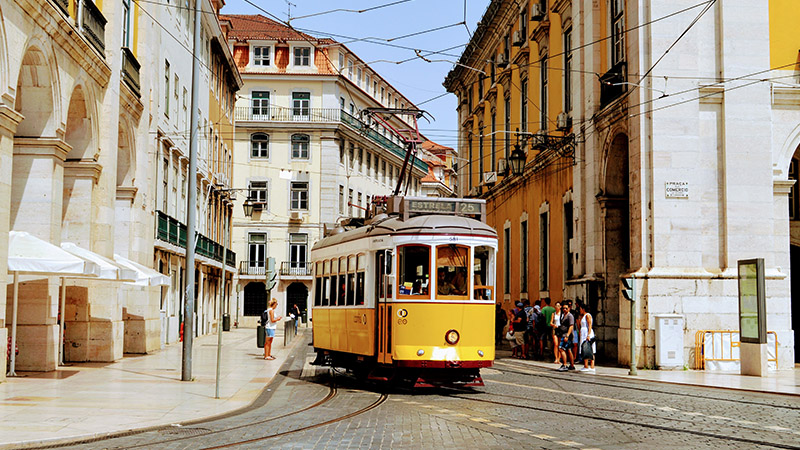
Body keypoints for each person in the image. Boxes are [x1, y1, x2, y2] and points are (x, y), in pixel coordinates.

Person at [556, 301, 576, 371]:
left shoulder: (570, 316)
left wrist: (567, 336)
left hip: (566, 335)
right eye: (564, 308)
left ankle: (564, 365)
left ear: (569, 308)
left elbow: (571, 326)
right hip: (564, 334)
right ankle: (572, 365)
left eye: (566, 308)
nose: (565, 309)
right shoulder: (563, 315)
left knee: (561, 348)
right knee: (568, 349)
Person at [578, 302, 596, 373]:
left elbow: (590, 325)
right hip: (583, 333)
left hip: (587, 333)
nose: (580, 310)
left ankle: (590, 366)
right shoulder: (583, 316)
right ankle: (586, 365)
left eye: (580, 309)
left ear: (583, 309)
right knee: (585, 349)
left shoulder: (587, 315)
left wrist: (588, 335)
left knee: (588, 349)